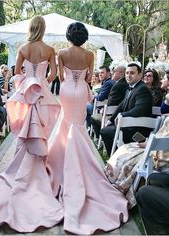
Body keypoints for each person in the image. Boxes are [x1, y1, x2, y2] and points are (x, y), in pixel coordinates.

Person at [0, 15, 62, 232]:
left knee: (27, 126)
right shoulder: (49, 49)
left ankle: (23, 167)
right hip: (42, 93)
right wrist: (42, 83)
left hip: (28, 92)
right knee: (41, 129)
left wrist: (29, 82)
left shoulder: (24, 48)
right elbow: (54, 73)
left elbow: (17, 73)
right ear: (43, 29)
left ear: (31, 28)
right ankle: (37, 168)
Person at [46, 22, 128, 235]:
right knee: (78, 126)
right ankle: (80, 164)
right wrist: (80, 80)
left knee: (66, 124)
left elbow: (61, 77)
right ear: (84, 36)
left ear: (68, 35)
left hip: (66, 91)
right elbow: (90, 77)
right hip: (82, 90)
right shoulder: (90, 54)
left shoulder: (62, 53)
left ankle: (61, 162)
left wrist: (70, 81)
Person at [104, 114, 169, 208]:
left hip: (159, 157)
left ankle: (115, 182)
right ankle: (113, 178)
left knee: (127, 153)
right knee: (125, 148)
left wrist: (148, 145)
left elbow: (162, 148)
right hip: (156, 150)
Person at [100, 63, 153, 156]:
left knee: (105, 132)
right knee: (106, 127)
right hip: (128, 125)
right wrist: (111, 119)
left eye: (132, 73)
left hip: (138, 132)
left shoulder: (142, 89)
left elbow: (139, 110)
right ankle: (118, 157)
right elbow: (121, 105)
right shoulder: (131, 88)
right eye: (127, 73)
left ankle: (116, 157)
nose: (128, 75)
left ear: (140, 75)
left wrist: (122, 115)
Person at [90, 65, 128, 138]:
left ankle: (101, 137)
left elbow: (110, 101)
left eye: (114, 72)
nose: (112, 73)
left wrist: (104, 110)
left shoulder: (116, 85)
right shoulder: (122, 84)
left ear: (121, 74)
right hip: (117, 111)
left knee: (92, 116)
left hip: (112, 113)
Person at [86, 65, 115, 130]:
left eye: (102, 73)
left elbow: (100, 97)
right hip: (105, 107)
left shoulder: (108, 83)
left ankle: (90, 128)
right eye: (99, 73)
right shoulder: (110, 82)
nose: (100, 75)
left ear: (108, 73)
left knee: (85, 107)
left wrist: (91, 97)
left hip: (102, 109)